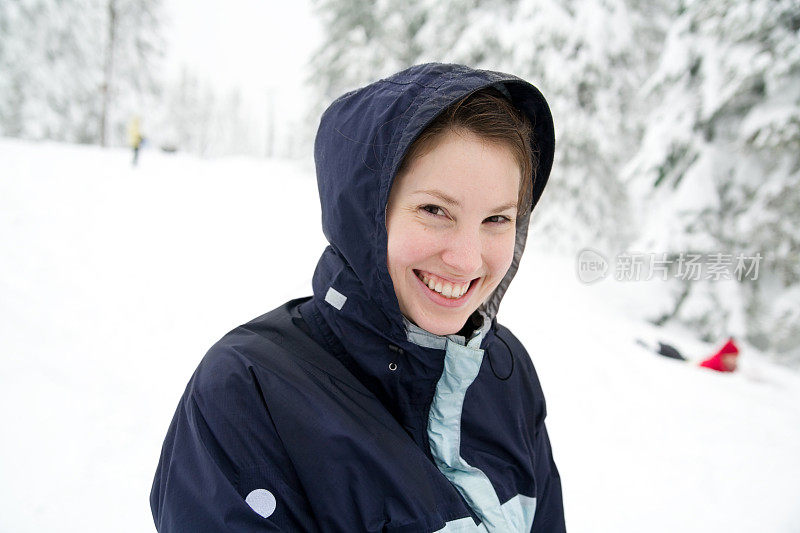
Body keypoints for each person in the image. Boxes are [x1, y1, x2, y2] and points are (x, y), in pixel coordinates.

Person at [150, 63, 565, 532]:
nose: (468, 261)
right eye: (435, 210)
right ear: (365, 213)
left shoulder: (504, 370)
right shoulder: (249, 392)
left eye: (497, 219)